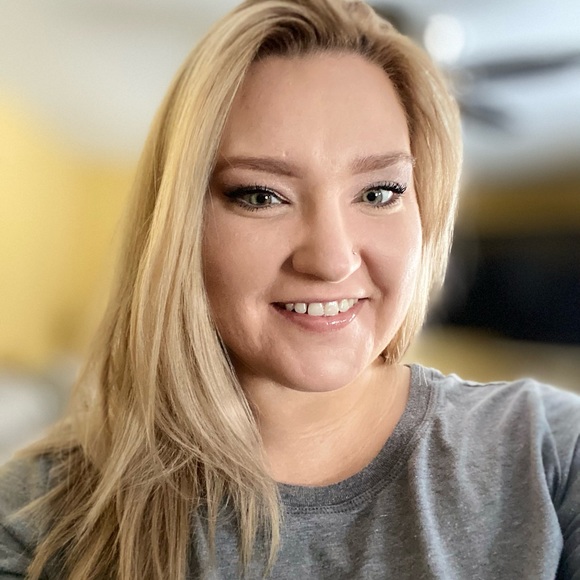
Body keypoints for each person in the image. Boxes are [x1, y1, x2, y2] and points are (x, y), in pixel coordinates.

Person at [1, 0, 579, 578]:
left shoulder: (551, 454)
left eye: (379, 193)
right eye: (260, 196)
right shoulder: (38, 516)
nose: (330, 260)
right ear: (181, 227)